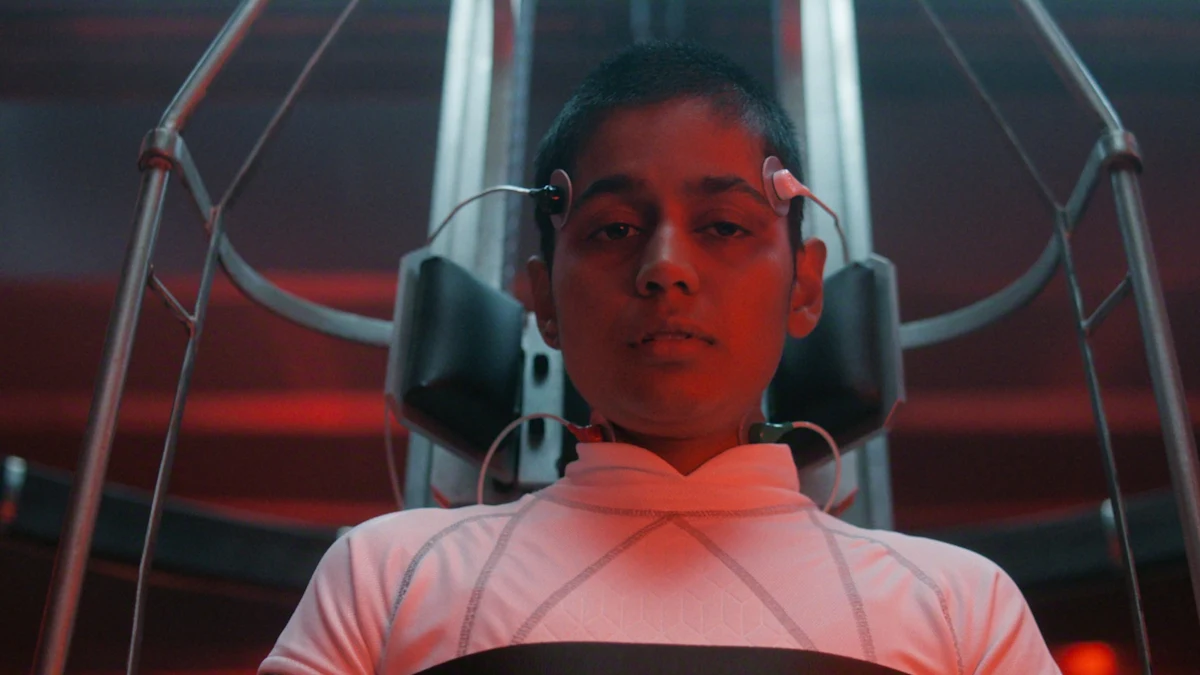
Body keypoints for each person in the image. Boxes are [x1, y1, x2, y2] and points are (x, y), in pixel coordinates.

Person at [260, 41, 1060, 675]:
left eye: (723, 226)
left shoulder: (961, 607)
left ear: (805, 285)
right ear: (544, 300)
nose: (665, 266)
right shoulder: (388, 577)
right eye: (614, 228)